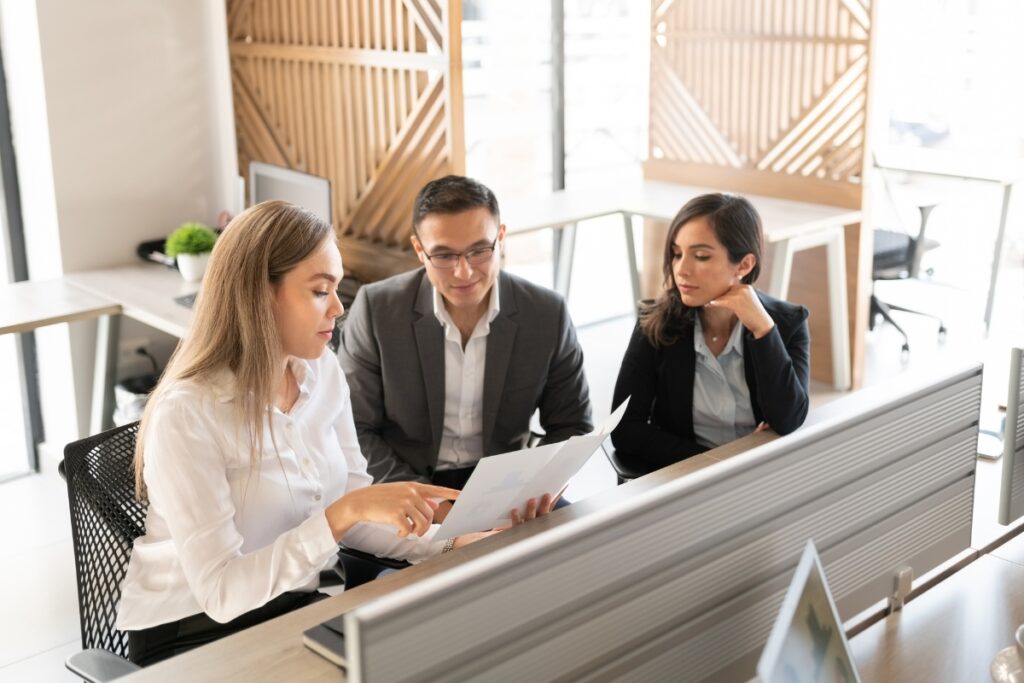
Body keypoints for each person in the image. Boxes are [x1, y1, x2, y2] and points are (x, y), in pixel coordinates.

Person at [117, 201, 526, 666]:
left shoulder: (321, 370)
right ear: (259, 296)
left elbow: (358, 504)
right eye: (319, 291)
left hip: (291, 606)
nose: (338, 306)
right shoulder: (188, 414)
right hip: (192, 634)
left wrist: (451, 541)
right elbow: (221, 592)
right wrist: (341, 515)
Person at [338, 175, 593, 520]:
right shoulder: (376, 310)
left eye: (479, 250)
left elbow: (572, 425)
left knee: (577, 551)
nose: (464, 272)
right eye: (444, 255)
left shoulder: (547, 313)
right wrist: (434, 507)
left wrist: (537, 487)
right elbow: (355, 429)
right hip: (407, 487)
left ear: (500, 238)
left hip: (509, 489)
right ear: (419, 250)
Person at [610, 193, 810, 475]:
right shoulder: (654, 322)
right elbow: (624, 430)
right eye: (677, 253)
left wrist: (763, 331)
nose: (681, 269)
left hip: (762, 480)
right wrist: (721, 462)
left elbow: (790, 419)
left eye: (701, 256)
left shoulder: (788, 324)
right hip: (683, 480)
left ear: (744, 265)